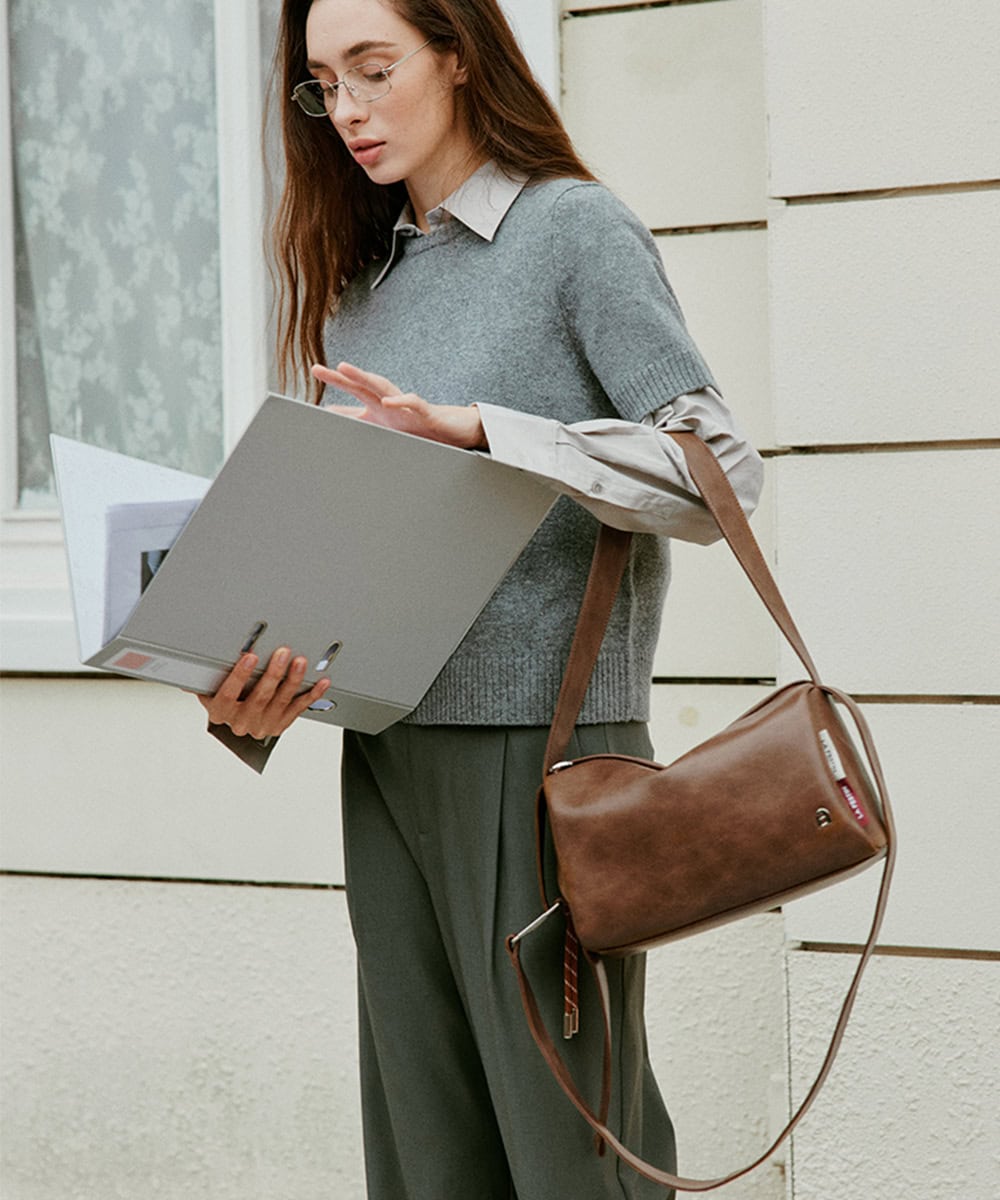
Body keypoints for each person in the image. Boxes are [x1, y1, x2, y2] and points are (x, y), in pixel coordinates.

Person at [200, 1, 764, 1196]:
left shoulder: (573, 231)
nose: (346, 109)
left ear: (457, 57)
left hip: (546, 764)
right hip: (390, 762)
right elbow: (367, 554)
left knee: (570, 1155)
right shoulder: (363, 284)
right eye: (322, 83)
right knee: (424, 1155)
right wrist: (259, 693)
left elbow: (719, 476)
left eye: (374, 68)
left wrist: (484, 433)